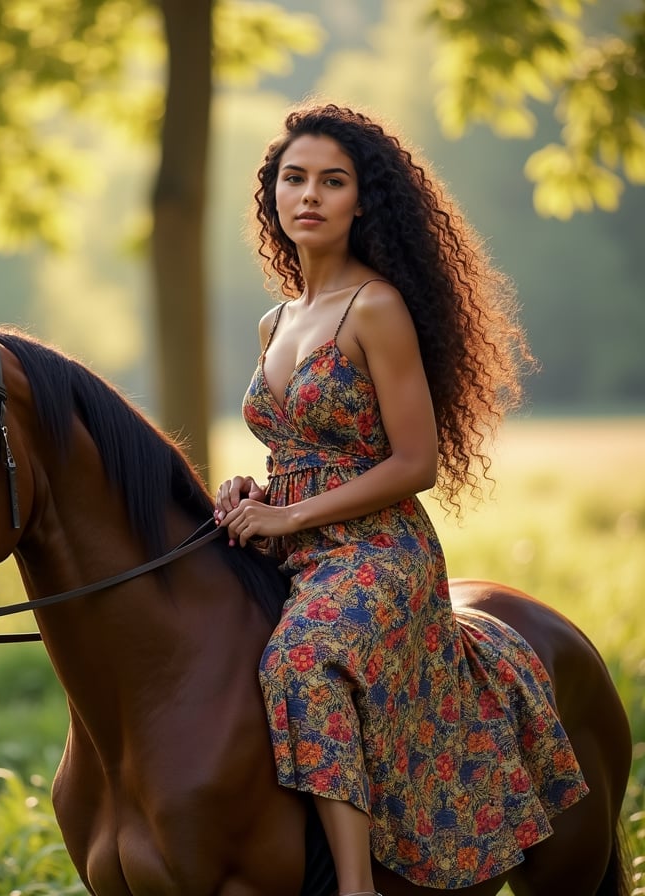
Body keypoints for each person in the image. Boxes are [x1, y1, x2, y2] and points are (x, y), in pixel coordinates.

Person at [214, 103, 589, 895]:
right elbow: (297, 448)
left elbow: (415, 461)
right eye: (294, 178)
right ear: (272, 196)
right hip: (299, 542)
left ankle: (354, 888)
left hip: (381, 550)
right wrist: (255, 490)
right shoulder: (274, 321)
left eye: (332, 181)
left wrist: (290, 513)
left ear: (362, 201)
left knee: (302, 660)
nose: (309, 195)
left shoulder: (374, 308)